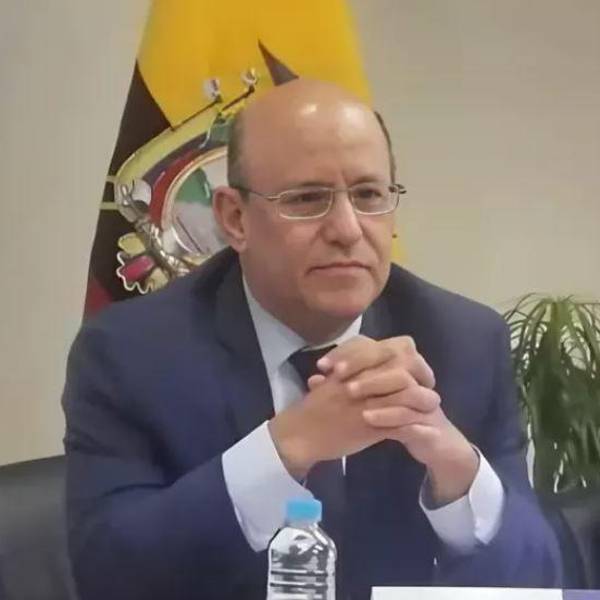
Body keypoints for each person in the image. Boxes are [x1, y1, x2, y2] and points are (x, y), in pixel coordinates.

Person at [62, 79, 562, 600]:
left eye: (368, 195)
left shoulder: (462, 342)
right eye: (306, 199)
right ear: (234, 218)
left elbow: (541, 575)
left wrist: (456, 468)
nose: (348, 229)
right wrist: (288, 447)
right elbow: (109, 576)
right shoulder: (133, 353)